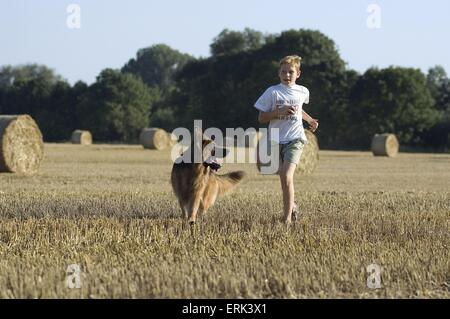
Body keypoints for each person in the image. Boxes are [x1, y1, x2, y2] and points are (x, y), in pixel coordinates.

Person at [254, 55, 319, 224]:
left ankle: (287, 219)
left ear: (298, 73)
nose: (287, 75)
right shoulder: (272, 92)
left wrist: (310, 120)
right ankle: (293, 205)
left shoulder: (303, 91)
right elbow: (261, 118)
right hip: (275, 140)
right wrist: (278, 112)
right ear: (279, 73)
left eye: (291, 72)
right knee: (283, 177)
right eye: (284, 72)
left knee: (286, 175)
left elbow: (299, 111)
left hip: (295, 138)